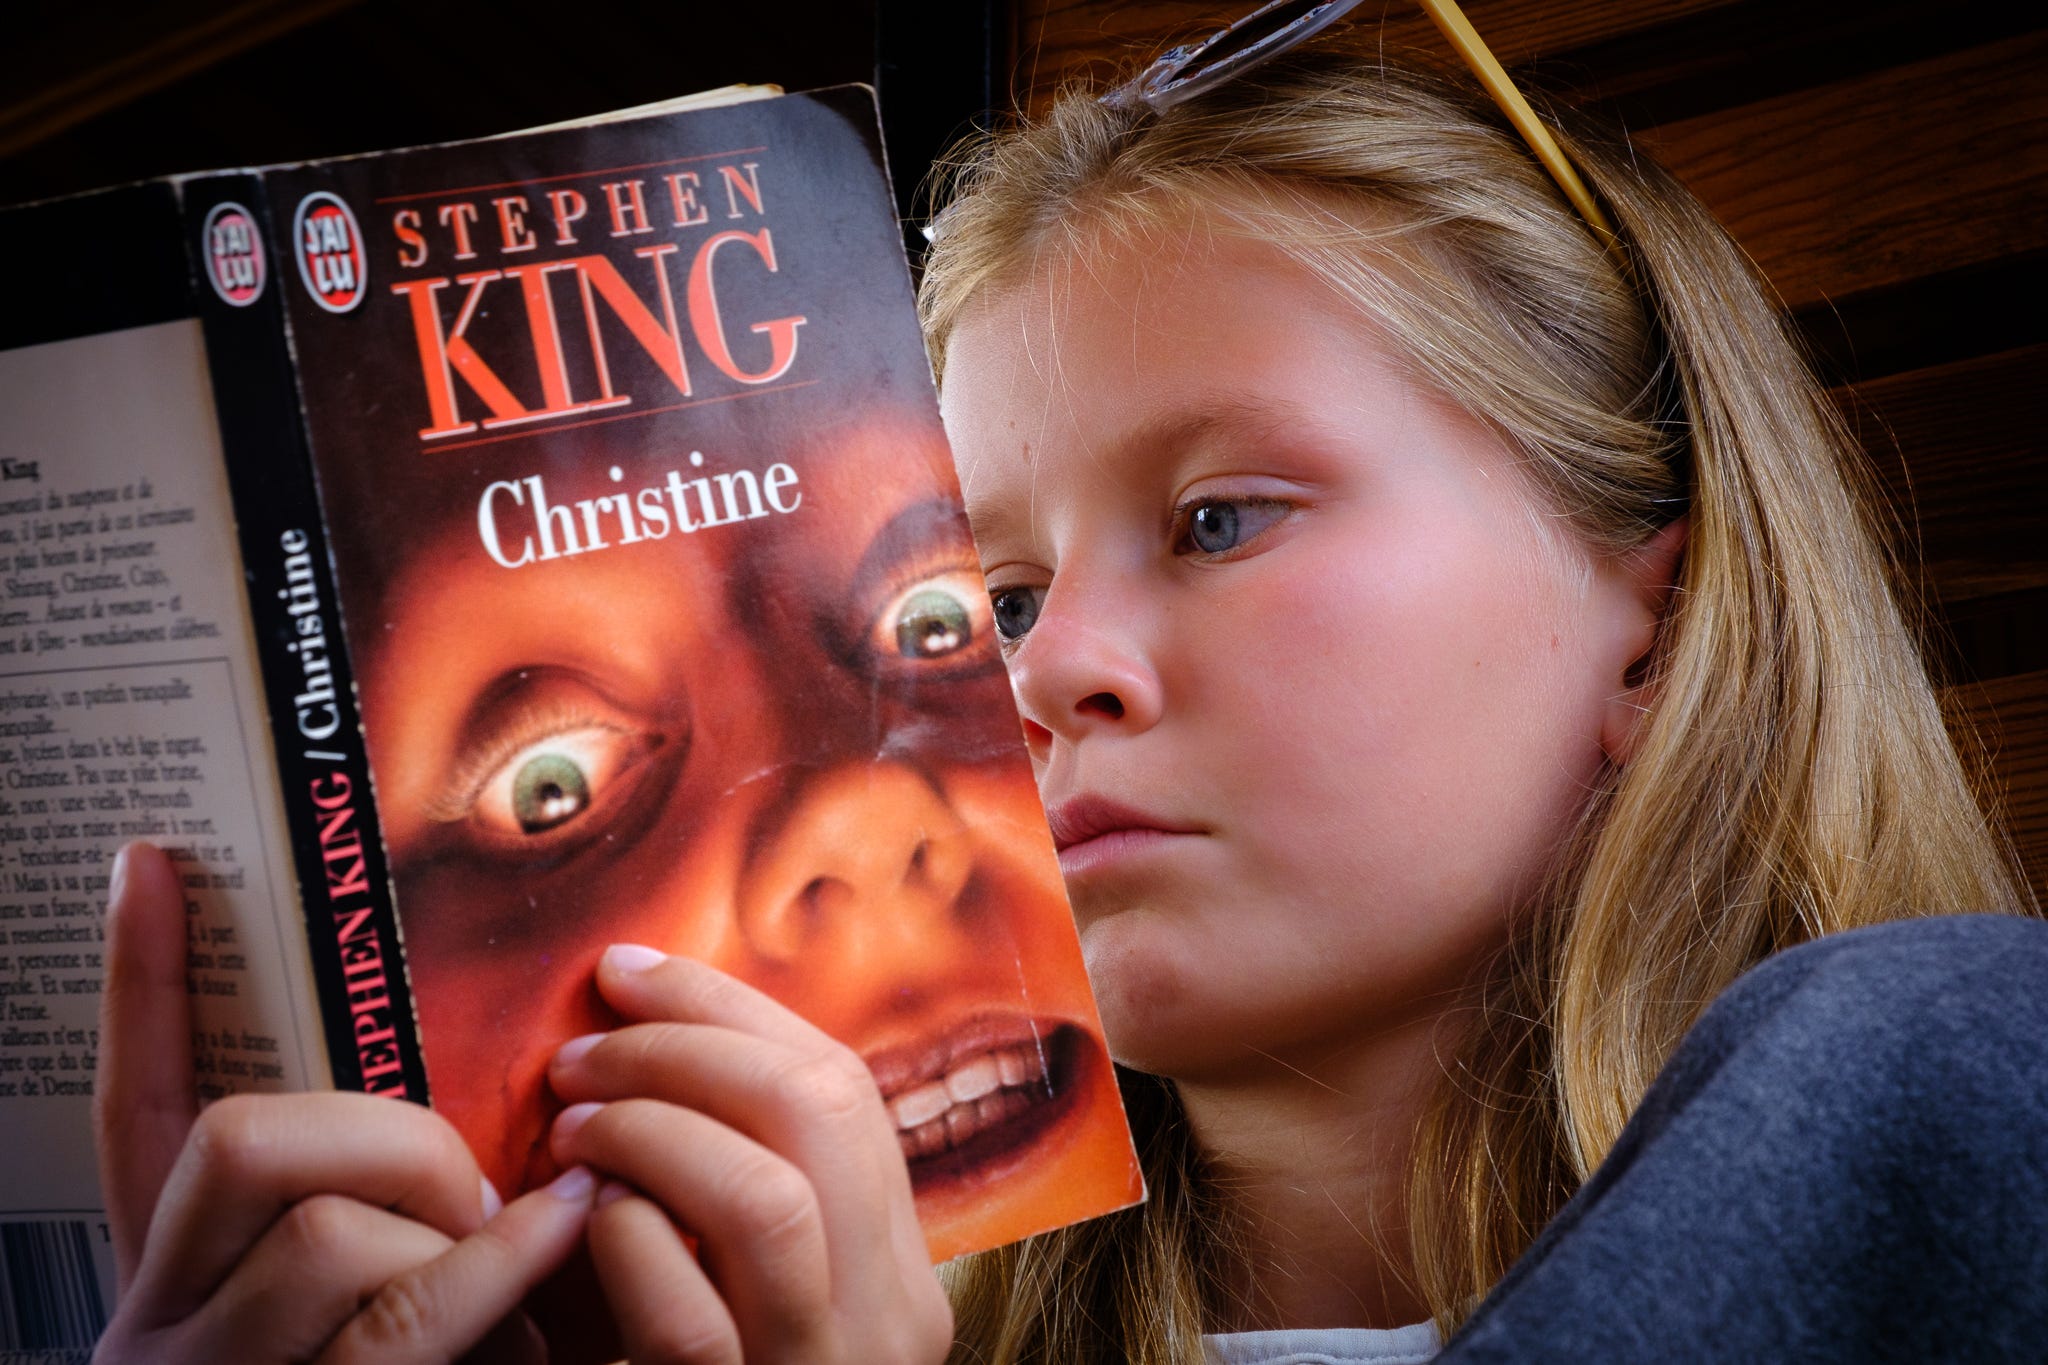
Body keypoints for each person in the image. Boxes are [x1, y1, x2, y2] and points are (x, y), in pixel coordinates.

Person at [91, 35, 2044, 1365]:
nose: (1039, 672)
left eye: (1218, 517)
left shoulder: (1949, 1069)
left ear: (1654, 615)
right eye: (991, 595)